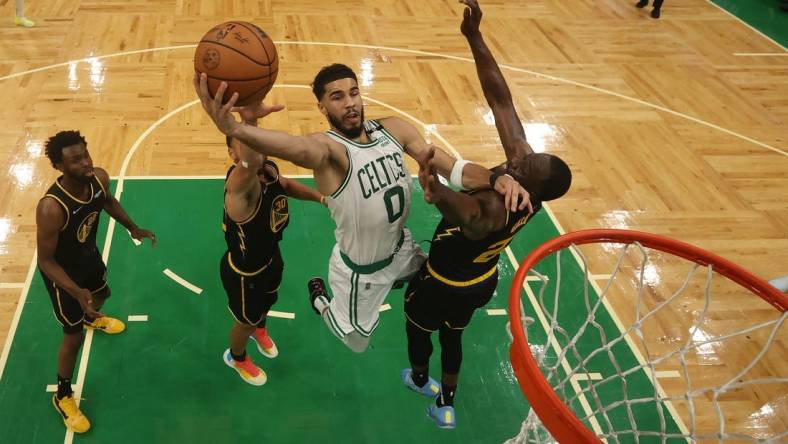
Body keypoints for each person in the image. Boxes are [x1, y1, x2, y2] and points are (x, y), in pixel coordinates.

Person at [194, 66, 530, 354]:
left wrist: (495, 179)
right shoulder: (330, 150)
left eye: (353, 93)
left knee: (431, 276)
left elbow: (450, 166)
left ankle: (400, 277)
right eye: (337, 97)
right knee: (356, 342)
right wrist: (238, 128)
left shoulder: (393, 130)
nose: (350, 102)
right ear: (322, 106)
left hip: (400, 248)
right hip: (360, 273)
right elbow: (297, 148)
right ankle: (321, 300)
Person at [400, 0, 572, 429]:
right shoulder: (527, 179)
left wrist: (433, 189)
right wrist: (474, 36)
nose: (516, 160)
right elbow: (500, 100)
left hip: (445, 282)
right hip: (481, 278)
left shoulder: (495, 209)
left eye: (523, 166)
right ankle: (448, 402)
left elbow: (464, 211)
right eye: (522, 158)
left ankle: (423, 380)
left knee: (419, 328)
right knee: (454, 335)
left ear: (532, 187)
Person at [36, 130, 155, 433]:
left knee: (103, 293)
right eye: (75, 160)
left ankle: (91, 317)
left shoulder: (98, 178)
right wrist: (76, 292)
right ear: (59, 166)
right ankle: (62, 395)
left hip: (88, 257)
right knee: (72, 336)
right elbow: (45, 261)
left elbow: (108, 201)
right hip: (63, 277)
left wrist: (133, 227)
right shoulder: (51, 207)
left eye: (85, 154)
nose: (86, 163)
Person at [220, 104, 324, 385]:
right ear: (232, 153)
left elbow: (286, 186)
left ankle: (260, 328)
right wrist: (249, 119)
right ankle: (237, 357)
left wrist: (321, 198)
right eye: (244, 142)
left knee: (267, 303)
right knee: (245, 321)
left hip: (271, 258)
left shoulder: (268, 169)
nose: (255, 146)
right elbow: (250, 162)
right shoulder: (238, 190)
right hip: (245, 274)